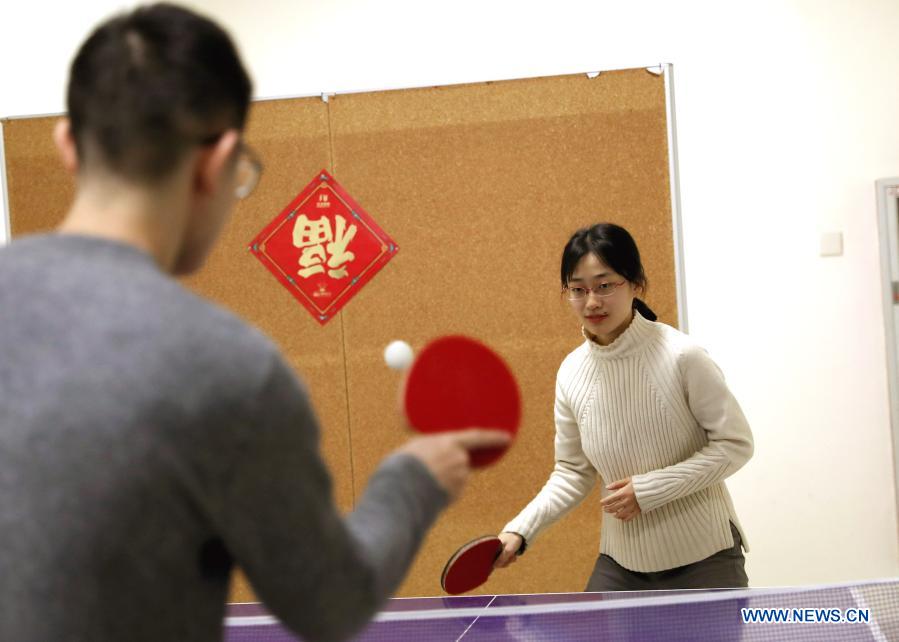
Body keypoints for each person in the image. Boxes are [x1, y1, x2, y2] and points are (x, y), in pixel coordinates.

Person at [0, 5, 508, 641]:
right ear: (216, 164)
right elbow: (330, 602)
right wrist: (414, 479)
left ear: (68, 145)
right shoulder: (228, 368)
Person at [494, 223, 753, 591]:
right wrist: (519, 530)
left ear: (635, 284)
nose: (592, 302)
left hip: (705, 559)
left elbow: (736, 445)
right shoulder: (571, 372)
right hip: (622, 564)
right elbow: (572, 471)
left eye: (605, 285)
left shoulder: (684, 357)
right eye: (578, 290)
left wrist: (650, 490)